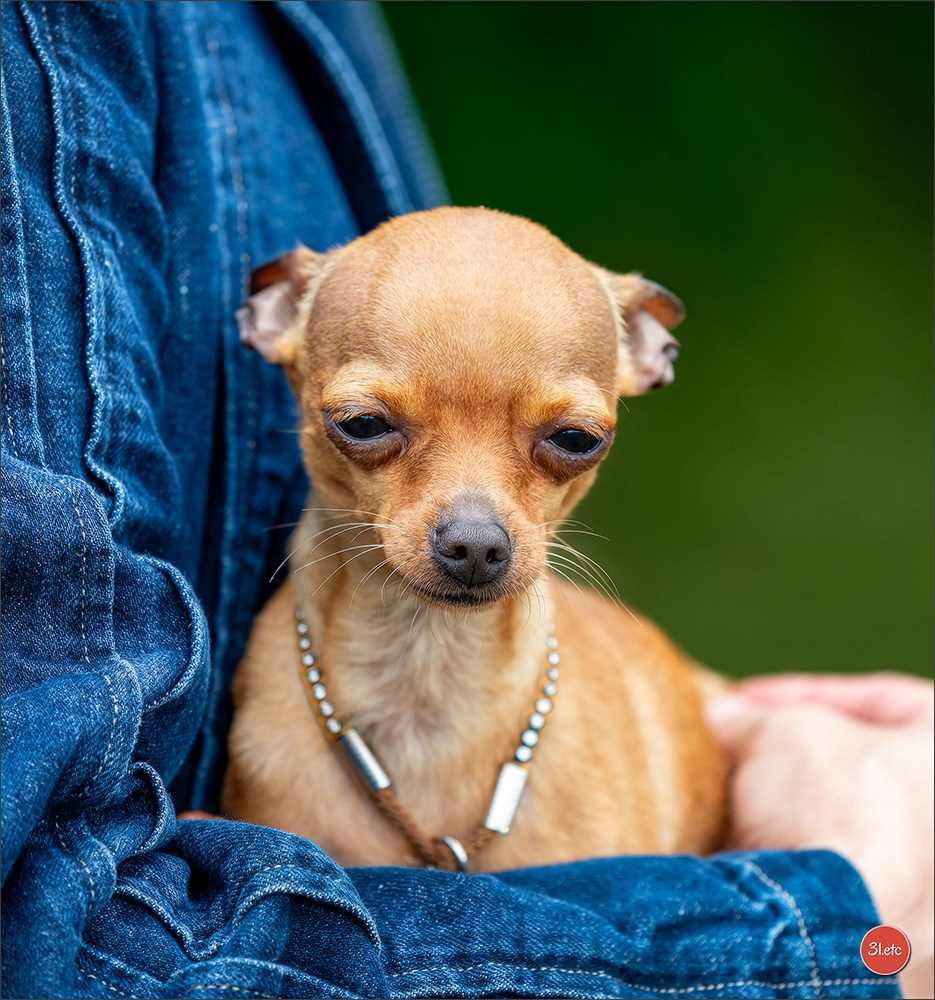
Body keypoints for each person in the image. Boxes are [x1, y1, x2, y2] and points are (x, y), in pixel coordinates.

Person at [1, 3, 930, 997]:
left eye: (564, 442)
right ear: (272, 319)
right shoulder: (264, 738)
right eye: (372, 426)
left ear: (644, 352)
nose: (474, 524)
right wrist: (866, 932)